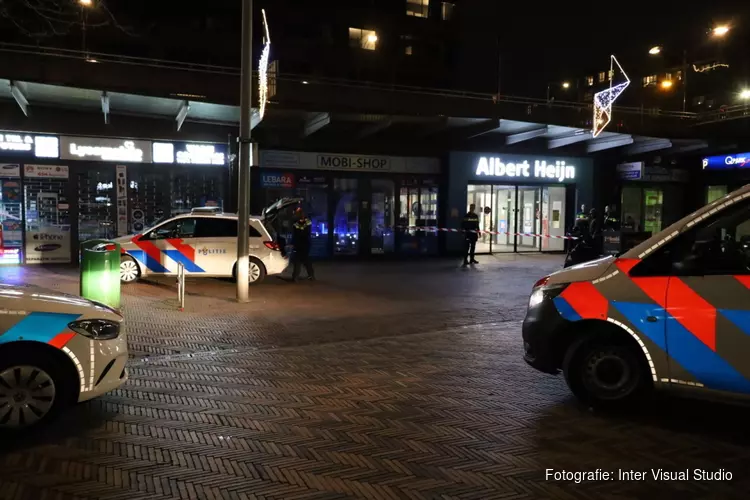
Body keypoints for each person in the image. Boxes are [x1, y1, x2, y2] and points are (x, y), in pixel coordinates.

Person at [291, 207, 315, 282]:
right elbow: (297, 233)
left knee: (301, 261)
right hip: (302, 244)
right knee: (303, 261)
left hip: (303, 244)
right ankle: (309, 276)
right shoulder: (299, 222)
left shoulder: (304, 222)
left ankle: (298, 276)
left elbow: (299, 233)